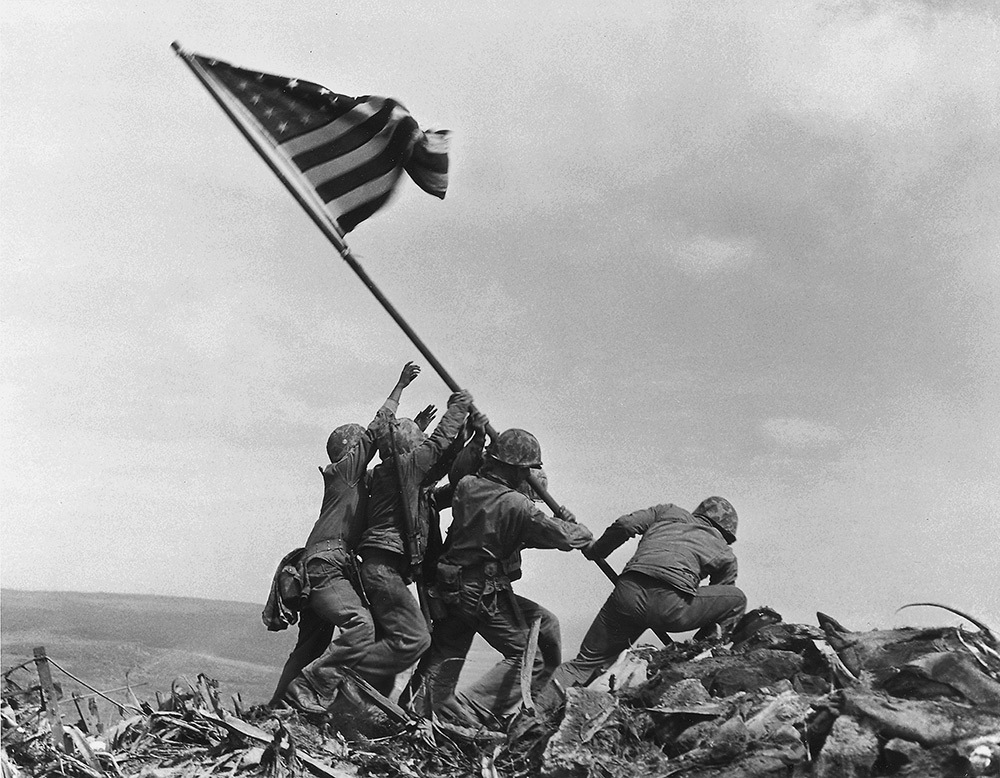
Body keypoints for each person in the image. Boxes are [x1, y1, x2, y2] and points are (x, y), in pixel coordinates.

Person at [268, 362, 425, 711]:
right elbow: (376, 431)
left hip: (318, 568)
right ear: (351, 451)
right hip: (327, 567)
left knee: (310, 647)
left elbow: (395, 466)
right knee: (361, 627)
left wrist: (411, 436)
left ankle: (277, 709)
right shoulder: (344, 473)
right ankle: (311, 690)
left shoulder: (354, 484)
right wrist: (399, 387)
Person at [416, 429, 593, 723]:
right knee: (530, 658)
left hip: (452, 587)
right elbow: (564, 538)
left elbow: (508, 528)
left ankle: (419, 711)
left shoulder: (468, 486)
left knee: (542, 625)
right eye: (525, 470)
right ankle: (469, 711)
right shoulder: (517, 505)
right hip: (481, 592)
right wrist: (576, 527)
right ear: (514, 468)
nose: (528, 476)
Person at [537, 497, 746, 710]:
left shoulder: (668, 512)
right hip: (672, 606)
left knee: (583, 664)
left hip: (628, 594)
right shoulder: (725, 552)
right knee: (737, 599)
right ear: (726, 532)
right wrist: (698, 646)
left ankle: (533, 713)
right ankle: (699, 657)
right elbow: (717, 609)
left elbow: (625, 525)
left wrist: (597, 551)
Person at [350, 388, 476, 695]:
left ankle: (358, 704)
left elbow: (441, 463)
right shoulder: (403, 468)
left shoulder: (398, 475)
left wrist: (469, 438)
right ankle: (337, 674)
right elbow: (437, 446)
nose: (423, 446)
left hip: (383, 570)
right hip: (383, 570)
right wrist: (457, 409)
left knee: (389, 646)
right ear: (409, 447)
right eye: (418, 442)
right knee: (417, 639)